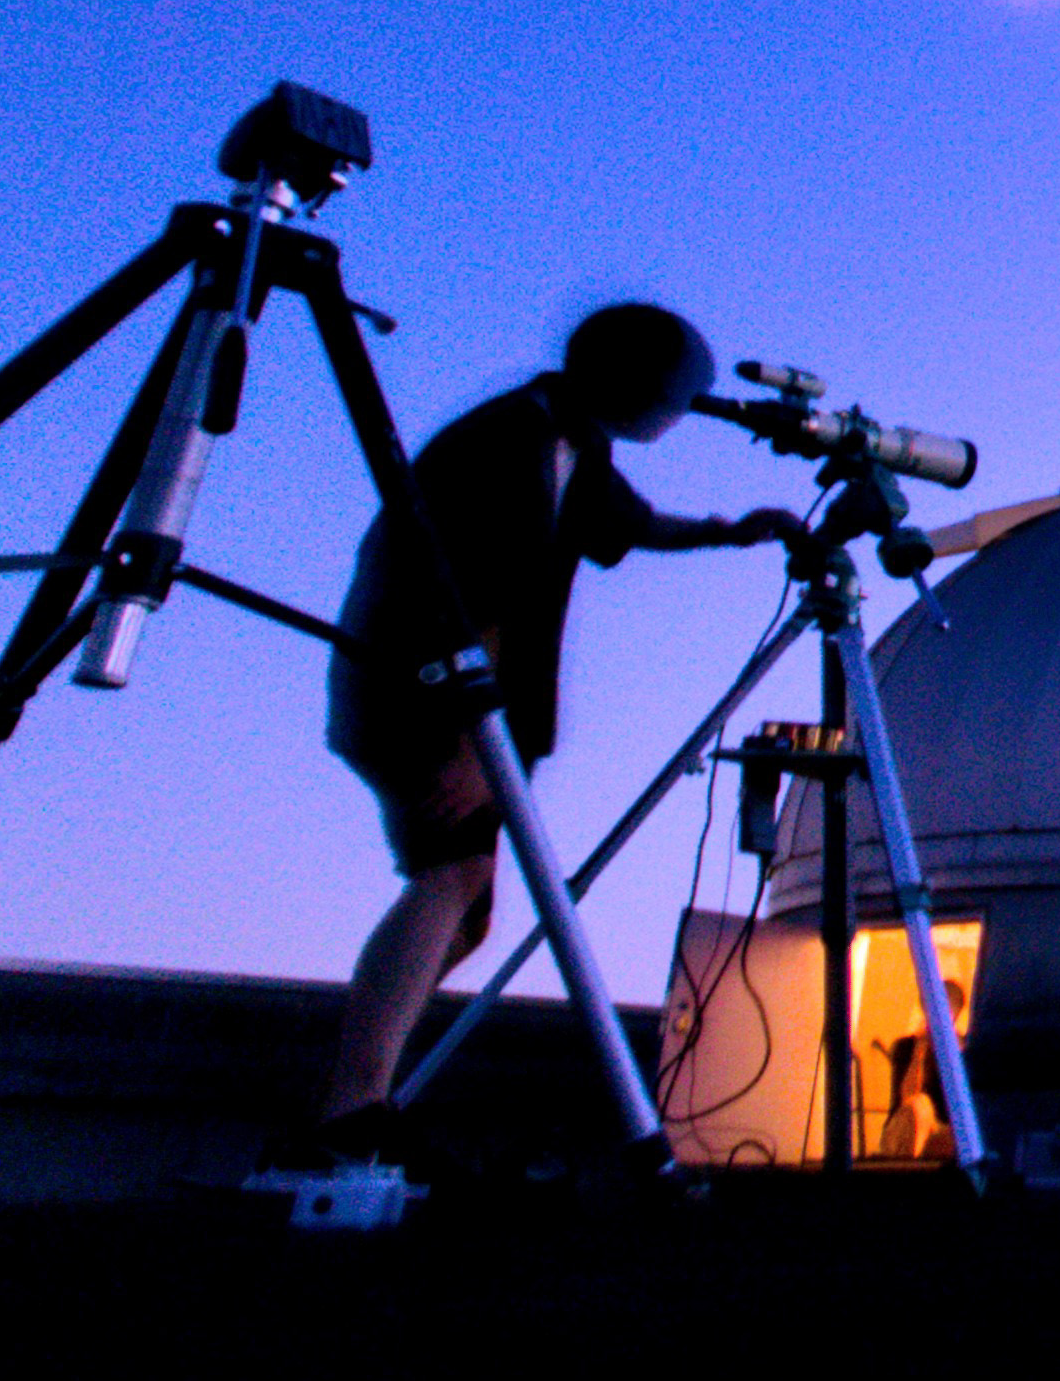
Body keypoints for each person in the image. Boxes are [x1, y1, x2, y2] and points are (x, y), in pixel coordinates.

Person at [306, 303, 801, 1147]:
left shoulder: (567, 439)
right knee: (451, 885)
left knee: (463, 908)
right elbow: (481, 599)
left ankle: (361, 1090)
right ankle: (352, 1106)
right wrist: (471, 745)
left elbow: (632, 526)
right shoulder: (510, 444)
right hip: (426, 696)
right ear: (648, 394)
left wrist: (730, 534)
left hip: (438, 695)